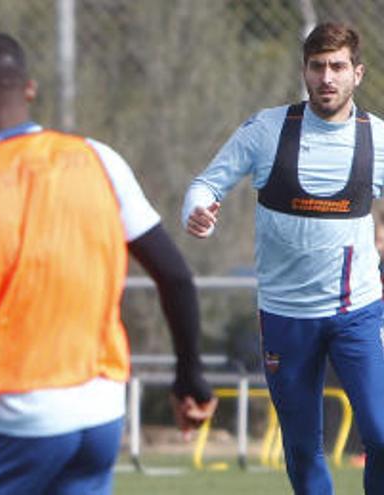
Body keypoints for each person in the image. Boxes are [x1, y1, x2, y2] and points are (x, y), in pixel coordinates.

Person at [0, 31, 218, 495]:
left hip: (20, 416)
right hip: (101, 413)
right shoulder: (99, 159)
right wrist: (189, 375)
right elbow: (175, 275)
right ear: (29, 89)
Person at [183, 22, 384, 494]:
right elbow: (206, 184)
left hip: (356, 311)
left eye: (338, 67)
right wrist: (197, 211)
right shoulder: (267, 130)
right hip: (286, 316)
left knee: (380, 433)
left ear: (358, 72)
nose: (327, 78)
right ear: (304, 72)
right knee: (300, 447)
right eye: (318, 67)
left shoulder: (376, 138)